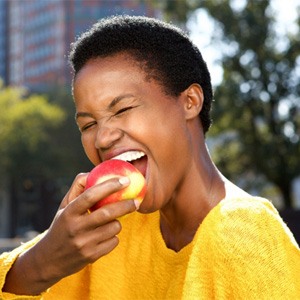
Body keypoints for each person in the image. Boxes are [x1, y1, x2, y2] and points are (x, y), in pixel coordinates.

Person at [1, 15, 300, 299]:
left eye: (122, 109)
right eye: (88, 125)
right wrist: (42, 263)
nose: (103, 138)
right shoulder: (106, 231)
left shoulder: (244, 232)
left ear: (190, 102)